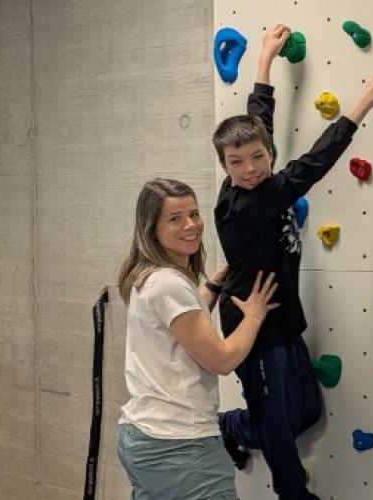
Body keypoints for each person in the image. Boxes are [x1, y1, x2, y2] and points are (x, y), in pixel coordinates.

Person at [212, 23, 373, 500]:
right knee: (278, 430)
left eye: (258, 157)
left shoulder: (257, 174)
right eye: (236, 163)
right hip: (253, 324)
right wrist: (361, 105)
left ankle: (230, 425)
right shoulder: (252, 202)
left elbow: (259, 122)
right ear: (224, 166)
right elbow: (314, 163)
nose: (250, 169)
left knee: (307, 413)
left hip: (282, 315)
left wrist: (264, 61)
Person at [116, 178, 278, 500]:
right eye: (175, 218)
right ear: (152, 229)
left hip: (142, 438)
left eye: (193, 214)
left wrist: (214, 285)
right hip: (180, 446)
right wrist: (254, 316)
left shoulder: (148, 276)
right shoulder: (169, 284)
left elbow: (183, 327)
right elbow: (222, 359)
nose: (191, 225)